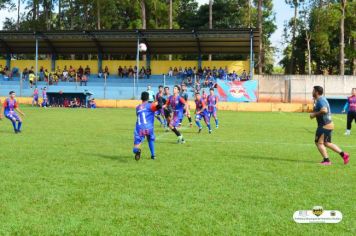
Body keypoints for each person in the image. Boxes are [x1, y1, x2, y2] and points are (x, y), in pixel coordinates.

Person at [310, 86, 349, 165]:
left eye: (313, 90)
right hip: (328, 124)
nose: (312, 92)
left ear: (317, 92)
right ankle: (344, 154)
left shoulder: (320, 100)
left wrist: (314, 114)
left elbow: (324, 110)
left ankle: (326, 160)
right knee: (327, 143)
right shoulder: (321, 99)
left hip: (324, 125)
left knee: (319, 143)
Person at [133, 91, 162, 161]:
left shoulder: (137, 107)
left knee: (136, 147)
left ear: (141, 98)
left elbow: (138, 115)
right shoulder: (150, 105)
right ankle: (153, 155)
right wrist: (160, 98)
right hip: (149, 127)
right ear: (148, 98)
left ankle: (137, 151)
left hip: (139, 128)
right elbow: (160, 106)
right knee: (150, 139)